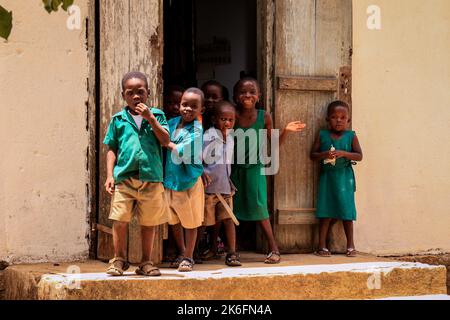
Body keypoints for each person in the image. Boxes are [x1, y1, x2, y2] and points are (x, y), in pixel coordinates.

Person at [231, 77, 306, 264]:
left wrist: (286, 131)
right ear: (235, 96)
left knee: (259, 207)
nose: (247, 95)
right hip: (233, 169)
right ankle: (230, 251)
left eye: (252, 92)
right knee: (229, 210)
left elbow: (272, 146)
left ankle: (274, 248)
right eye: (242, 92)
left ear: (259, 96)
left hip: (255, 169)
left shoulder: (264, 116)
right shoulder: (232, 114)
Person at [103, 71, 170, 276]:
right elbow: (112, 148)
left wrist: (150, 118)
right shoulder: (118, 120)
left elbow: (165, 140)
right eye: (130, 93)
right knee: (120, 219)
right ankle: (119, 260)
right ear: (123, 95)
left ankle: (146, 262)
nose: (136, 97)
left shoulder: (157, 115)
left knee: (149, 222)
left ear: (148, 93)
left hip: (151, 178)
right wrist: (110, 175)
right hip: (125, 179)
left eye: (140, 92)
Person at [310, 100, 363, 257]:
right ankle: (322, 245)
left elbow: (359, 155)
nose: (338, 120)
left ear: (348, 120)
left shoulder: (351, 136)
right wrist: (325, 154)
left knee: (347, 211)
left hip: (345, 178)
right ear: (327, 119)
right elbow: (312, 155)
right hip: (328, 178)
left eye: (342, 117)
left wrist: (344, 153)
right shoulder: (323, 135)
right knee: (326, 211)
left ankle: (351, 245)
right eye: (334, 117)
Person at [164, 88, 205, 272]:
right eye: (184, 104)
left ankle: (188, 256)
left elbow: (181, 150)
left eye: (193, 106)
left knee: (191, 221)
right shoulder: (172, 123)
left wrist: (166, 143)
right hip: (171, 181)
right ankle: (181, 252)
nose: (188, 109)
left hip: (188, 182)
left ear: (201, 110)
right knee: (174, 220)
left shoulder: (197, 129)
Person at [201, 101, 241, 266]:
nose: (227, 123)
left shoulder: (230, 138)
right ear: (214, 119)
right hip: (208, 189)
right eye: (223, 119)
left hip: (225, 188)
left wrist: (229, 181)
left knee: (228, 220)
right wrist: (201, 172)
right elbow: (198, 158)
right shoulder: (208, 136)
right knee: (203, 223)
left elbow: (226, 164)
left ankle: (232, 253)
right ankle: (196, 252)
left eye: (231, 120)